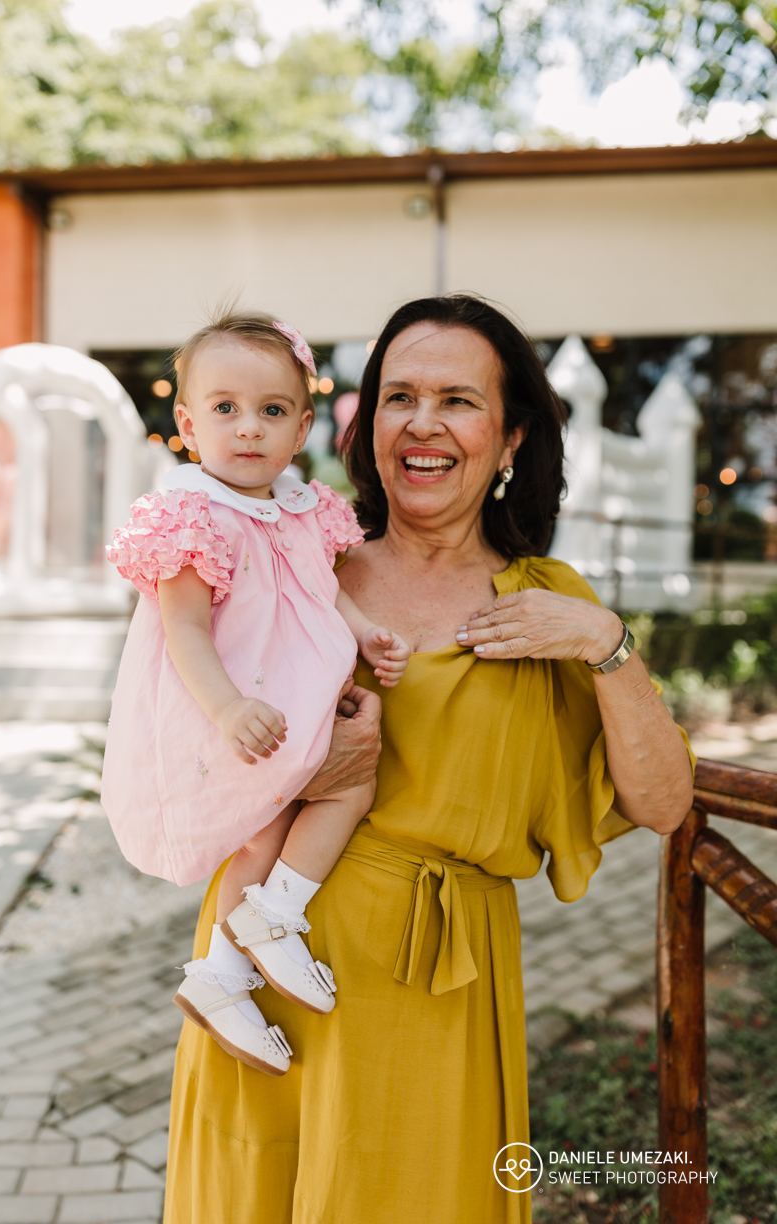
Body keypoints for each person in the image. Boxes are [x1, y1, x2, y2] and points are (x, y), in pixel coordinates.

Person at [164, 295, 695, 1224]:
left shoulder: (550, 602)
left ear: (512, 435)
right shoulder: (294, 566)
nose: (422, 423)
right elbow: (181, 720)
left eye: (457, 398)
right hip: (263, 964)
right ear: (365, 426)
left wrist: (606, 642)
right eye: (399, 396)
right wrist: (297, 772)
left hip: (437, 981)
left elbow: (661, 801)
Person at [102, 312, 411, 1078]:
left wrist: (367, 630)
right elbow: (183, 631)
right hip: (230, 707)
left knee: (281, 817)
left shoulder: (305, 508)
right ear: (187, 421)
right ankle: (274, 914)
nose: (248, 429)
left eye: (272, 411)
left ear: (303, 425)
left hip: (289, 698)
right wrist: (228, 710)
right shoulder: (190, 513)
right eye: (225, 409)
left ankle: (220, 974)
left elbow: (320, 589)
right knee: (327, 794)